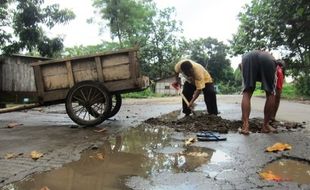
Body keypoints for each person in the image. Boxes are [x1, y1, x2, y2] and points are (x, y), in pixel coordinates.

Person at [240, 50, 277, 135]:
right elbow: (274, 91)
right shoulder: (270, 57)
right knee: (270, 93)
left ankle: (245, 126)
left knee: (247, 92)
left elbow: (241, 67)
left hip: (247, 58)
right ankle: (265, 126)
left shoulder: (246, 58)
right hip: (267, 60)